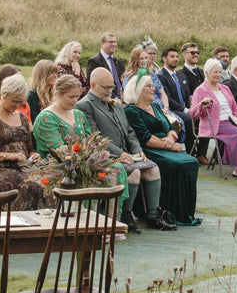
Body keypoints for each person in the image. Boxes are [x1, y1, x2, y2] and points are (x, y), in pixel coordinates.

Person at [77, 67, 172, 231]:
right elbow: (94, 137)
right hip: (106, 155)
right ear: (92, 85)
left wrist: (137, 149)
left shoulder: (116, 104)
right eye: (105, 88)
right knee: (134, 173)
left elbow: (129, 131)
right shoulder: (84, 105)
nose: (109, 91)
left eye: (111, 87)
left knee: (153, 168)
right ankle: (125, 215)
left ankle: (153, 216)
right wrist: (119, 153)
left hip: (127, 153)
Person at [123, 74, 202, 226]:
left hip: (166, 145)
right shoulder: (131, 111)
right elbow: (145, 138)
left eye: (153, 86)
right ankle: (167, 210)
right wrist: (170, 145)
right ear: (138, 90)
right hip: (149, 150)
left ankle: (185, 212)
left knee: (191, 161)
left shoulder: (155, 107)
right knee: (176, 164)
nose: (154, 89)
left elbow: (170, 128)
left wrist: (171, 138)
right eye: (150, 86)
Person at [0, 74, 49, 210]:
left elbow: (30, 147)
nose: (17, 105)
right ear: (4, 94)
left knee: (48, 181)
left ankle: (43, 224)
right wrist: (9, 156)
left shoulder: (22, 117)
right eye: (14, 101)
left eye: (20, 102)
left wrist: (33, 154)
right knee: (32, 184)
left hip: (23, 167)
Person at [189, 58, 237, 180]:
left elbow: (235, 106)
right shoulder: (201, 90)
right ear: (206, 73)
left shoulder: (225, 88)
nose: (218, 75)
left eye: (219, 72)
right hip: (216, 124)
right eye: (215, 72)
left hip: (231, 121)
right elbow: (193, 113)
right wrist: (201, 104)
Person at [33, 73, 96, 157]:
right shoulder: (46, 118)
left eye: (77, 97)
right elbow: (58, 151)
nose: (75, 100)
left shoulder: (78, 114)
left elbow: (90, 142)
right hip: (58, 165)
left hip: (84, 161)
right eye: (71, 97)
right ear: (59, 94)